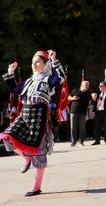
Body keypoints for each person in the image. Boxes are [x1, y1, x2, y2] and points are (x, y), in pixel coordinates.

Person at [1, 50, 66, 196]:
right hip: (25, 115)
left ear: (45, 65)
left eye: (37, 62)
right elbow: (14, 89)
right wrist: (10, 73)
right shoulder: (29, 81)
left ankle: (36, 186)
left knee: (38, 151)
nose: (34, 64)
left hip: (39, 117)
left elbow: (61, 77)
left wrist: (54, 60)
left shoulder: (49, 80)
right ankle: (26, 157)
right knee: (7, 137)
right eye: (32, 62)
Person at [68, 80, 91, 146]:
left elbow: (93, 94)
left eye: (88, 85)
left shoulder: (88, 93)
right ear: (82, 85)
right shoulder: (76, 91)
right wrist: (73, 98)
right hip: (74, 112)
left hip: (82, 112)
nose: (87, 86)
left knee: (82, 127)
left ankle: (81, 141)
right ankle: (74, 141)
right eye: (86, 85)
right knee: (73, 127)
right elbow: (69, 97)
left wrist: (94, 95)